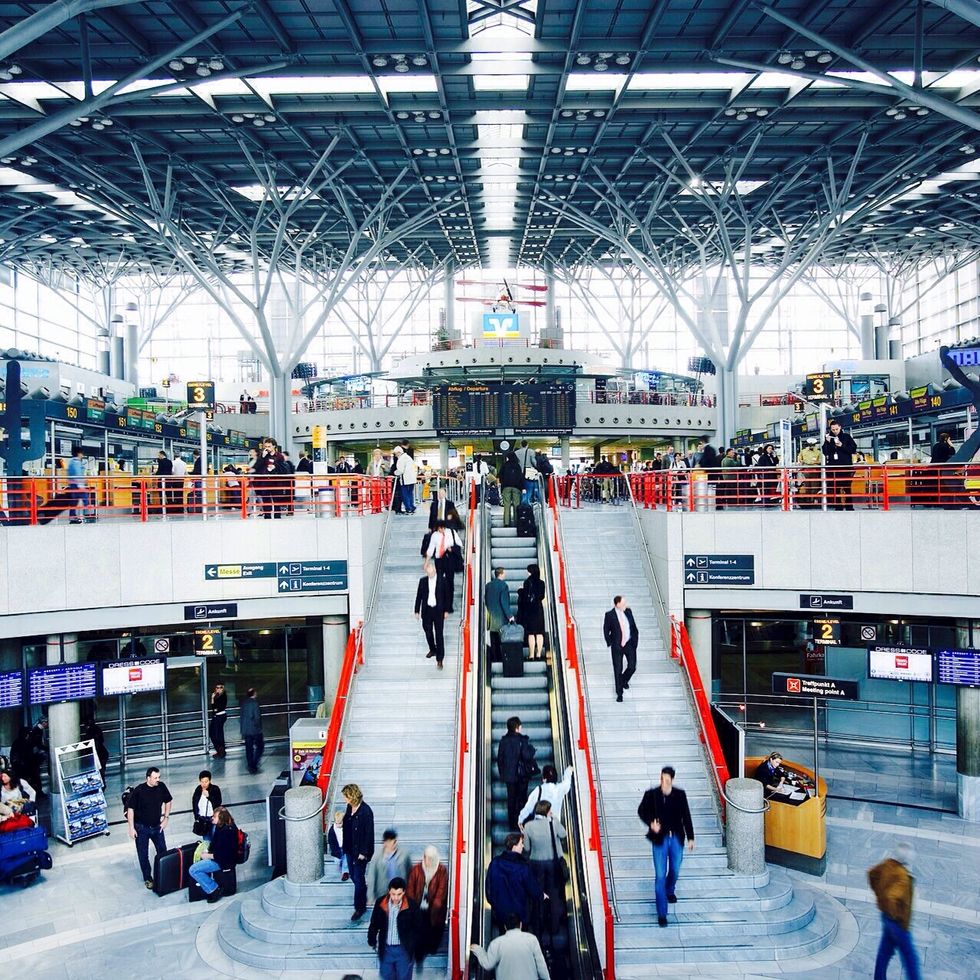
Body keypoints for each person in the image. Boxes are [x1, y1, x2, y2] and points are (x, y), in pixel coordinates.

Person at [637, 766, 695, 927]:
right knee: (660, 875)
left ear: (672, 780)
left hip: (675, 838)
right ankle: (662, 913)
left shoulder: (680, 795)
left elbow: (686, 816)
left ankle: (670, 890)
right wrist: (651, 823)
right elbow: (641, 811)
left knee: (675, 869)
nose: (664, 783)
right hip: (659, 840)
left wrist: (691, 837)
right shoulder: (652, 794)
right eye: (662, 779)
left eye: (667, 780)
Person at [869, 842, 921, 980]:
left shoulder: (887, 864)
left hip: (886, 918)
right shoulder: (902, 876)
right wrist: (894, 914)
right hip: (898, 923)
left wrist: (879, 895)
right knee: (910, 958)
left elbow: (871, 874)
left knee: (884, 953)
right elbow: (891, 897)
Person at [521, 800, 567, 950]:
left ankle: (538, 927)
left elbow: (527, 848)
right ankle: (554, 926)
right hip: (553, 864)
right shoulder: (553, 823)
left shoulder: (528, 826)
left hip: (536, 865)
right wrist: (554, 820)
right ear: (547, 812)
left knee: (538, 895)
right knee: (554, 895)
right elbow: (564, 834)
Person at [485, 833, 546, 930]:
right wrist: (541, 895)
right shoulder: (523, 867)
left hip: (501, 914)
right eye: (521, 843)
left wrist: (496, 905)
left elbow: (489, 889)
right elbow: (532, 888)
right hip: (520, 916)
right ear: (514, 847)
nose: (523, 846)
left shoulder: (495, 862)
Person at [126, 766, 173, 889]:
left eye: (159, 777)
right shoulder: (139, 790)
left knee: (163, 851)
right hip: (142, 828)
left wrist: (166, 818)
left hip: (157, 827)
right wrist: (131, 827)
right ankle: (148, 878)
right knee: (143, 854)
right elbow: (130, 809)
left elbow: (168, 801)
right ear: (148, 778)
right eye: (155, 778)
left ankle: (164, 874)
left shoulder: (161, 787)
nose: (158, 780)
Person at [367, 877, 420, 980]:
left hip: (404, 950)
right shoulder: (380, 903)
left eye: (399, 894)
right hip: (386, 949)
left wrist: (413, 945)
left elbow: (418, 927)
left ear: (404, 892)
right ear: (389, 891)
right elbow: (374, 924)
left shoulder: (412, 906)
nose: (395, 897)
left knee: (404, 977)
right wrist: (372, 940)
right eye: (393, 894)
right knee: (386, 976)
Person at [470, 914, 550, 980]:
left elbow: (488, 964)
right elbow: (541, 965)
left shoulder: (496, 943)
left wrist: (478, 950)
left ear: (505, 927)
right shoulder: (532, 939)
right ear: (520, 925)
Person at [406, 845, 448, 969]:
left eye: (430, 858)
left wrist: (434, 909)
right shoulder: (416, 870)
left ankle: (430, 947)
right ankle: (419, 956)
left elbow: (441, 893)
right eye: (426, 857)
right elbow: (410, 890)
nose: (428, 860)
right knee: (419, 932)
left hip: (435, 910)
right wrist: (413, 909)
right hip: (419, 908)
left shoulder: (441, 871)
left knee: (433, 932)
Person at [188, 806, 237, 903]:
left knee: (193, 870)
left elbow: (223, 855)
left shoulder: (227, 832)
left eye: (214, 817)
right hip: (218, 858)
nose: (212, 818)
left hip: (222, 862)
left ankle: (213, 889)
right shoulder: (222, 827)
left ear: (221, 818)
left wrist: (208, 856)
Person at [342, 783, 376, 922]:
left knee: (358, 877)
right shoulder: (349, 807)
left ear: (351, 796)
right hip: (349, 848)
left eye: (345, 796)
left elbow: (369, 834)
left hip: (360, 852)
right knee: (354, 877)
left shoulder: (366, 812)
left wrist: (364, 852)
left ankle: (359, 908)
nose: (344, 799)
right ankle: (363, 891)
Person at [497, 716, 537, 832]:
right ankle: (522, 822)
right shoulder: (522, 740)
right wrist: (532, 749)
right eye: (520, 726)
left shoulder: (503, 741)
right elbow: (526, 756)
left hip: (509, 777)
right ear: (516, 728)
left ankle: (512, 824)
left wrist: (503, 774)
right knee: (522, 798)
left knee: (511, 799)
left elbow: (500, 759)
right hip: (522, 776)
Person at [414, 558, 450, 669]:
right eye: (428, 573)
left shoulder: (442, 580)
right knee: (427, 631)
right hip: (427, 610)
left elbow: (447, 596)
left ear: (435, 570)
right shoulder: (423, 581)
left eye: (431, 573)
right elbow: (419, 596)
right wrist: (416, 610)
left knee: (439, 634)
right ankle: (433, 649)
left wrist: (446, 610)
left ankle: (440, 659)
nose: (430, 575)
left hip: (438, 611)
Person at [603, 595, 639, 703]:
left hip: (629, 644)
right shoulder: (609, 615)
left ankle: (623, 680)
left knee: (632, 667)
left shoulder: (628, 611)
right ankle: (619, 693)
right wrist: (610, 642)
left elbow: (633, 627)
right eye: (623, 604)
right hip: (617, 646)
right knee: (618, 669)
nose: (625, 605)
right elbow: (606, 630)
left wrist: (635, 641)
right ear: (617, 604)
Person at [368, 828, 413, 905]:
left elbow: (410, 873)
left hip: (400, 892)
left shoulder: (404, 854)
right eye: (391, 842)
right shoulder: (377, 857)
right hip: (383, 893)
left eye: (395, 842)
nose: (394, 845)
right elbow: (371, 877)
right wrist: (370, 897)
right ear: (385, 843)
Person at [822, 420, 857, 510]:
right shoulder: (828, 438)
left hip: (845, 467)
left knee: (847, 487)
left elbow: (853, 449)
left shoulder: (847, 437)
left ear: (840, 427)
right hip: (833, 467)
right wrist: (828, 442)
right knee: (835, 488)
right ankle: (838, 506)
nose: (835, 431)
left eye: (836, 429)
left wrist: (842, 445)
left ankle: (849, 506)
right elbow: (825, 452)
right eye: (833, 429)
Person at [485, 567, 515, 662]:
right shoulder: (503, 586)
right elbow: (504, 602)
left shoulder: (488, 585)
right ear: (501, 574)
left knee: (493, 639)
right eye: (504, 573)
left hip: (491, 617)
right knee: (503, 638)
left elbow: (486, 600)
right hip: (501, 617)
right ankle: (503, 658)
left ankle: (495, 658)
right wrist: (510, 616)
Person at [520, 565, 546, 661]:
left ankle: (531, 655)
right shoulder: (542, 583)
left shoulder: (527, 582)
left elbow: (525, 596)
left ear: (530, 572)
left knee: (531, 633)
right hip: (538, 609)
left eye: (528, 571)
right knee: (539, 632)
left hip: (529, 610)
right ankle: (538, 654)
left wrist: (520, 591)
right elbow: (542, 596)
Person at [239, 688, 264, 773]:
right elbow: (257, 717)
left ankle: (250, 765)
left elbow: (242, 717)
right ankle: (254, 764)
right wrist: (259, 728)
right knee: (260, 747)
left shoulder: (244, 703)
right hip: (255, 730)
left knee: (249, 748)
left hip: (246, 730)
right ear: (254, 694)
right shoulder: (255, 703)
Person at [191, 770, 222, 837]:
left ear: (210, 781)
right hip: (202, 818)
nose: (204, 784)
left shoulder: (215, 789)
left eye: (206, 781)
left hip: (213, 818)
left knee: (214, 836)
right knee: (206, 838)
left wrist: (209, 796)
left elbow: (218, 802)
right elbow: (194, 803)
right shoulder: (198, 789)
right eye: (202, 782)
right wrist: (196, 816)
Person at [498, 449, 525, 527]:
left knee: (507, 505)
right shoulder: (517, 466)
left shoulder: (504, 465)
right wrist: (522, 487)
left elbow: (500, 476)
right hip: (516, 488)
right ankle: (517, 522)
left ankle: (506, 523)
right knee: (516, 505)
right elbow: (521, 477)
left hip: (506, 487)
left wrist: (502, 485)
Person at [67, 445, 93, 524]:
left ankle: (72, 517)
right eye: (82, 453)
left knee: (74, 501)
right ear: (79, 453)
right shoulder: (77, 462)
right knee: (84, 495)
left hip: (72, 484)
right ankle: (88, 508)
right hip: (77, 484)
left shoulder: (71, 461)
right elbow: (78, 474)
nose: (82, 455)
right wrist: (81, 485)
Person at [930, 430, 956, 507]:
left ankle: (934, 502)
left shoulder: (935, 446)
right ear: (946, 439)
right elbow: (953, 453)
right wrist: (951, 445)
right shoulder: (945, 446)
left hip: (933, 468)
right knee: (943, 486)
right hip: (942, 469)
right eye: (949, 439)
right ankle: (943, 502)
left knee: (935, 486)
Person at [394, 445, 418, 514]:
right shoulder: (408, 457)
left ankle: (408, 508)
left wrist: (395, 473)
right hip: (412, 479)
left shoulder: (401, 459)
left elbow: (400, 470)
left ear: (399, 452)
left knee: (405, 494)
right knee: (410, 494)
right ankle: (412, 507)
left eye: (396, 454)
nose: (395, 455)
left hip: (405, 480)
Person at [328, 809, 349, 880]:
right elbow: (331, 841)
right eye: (336, 823)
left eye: (340, 823)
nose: (338, 825)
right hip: (337, 848)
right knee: (337, 861)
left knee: (346, 860)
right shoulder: (332, 830)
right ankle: (342, 867)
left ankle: (345, 872)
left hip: (345, 847)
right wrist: (334, 850)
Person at [209, 683, 228, 758]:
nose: (218, 689)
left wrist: (215, 709)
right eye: (217, 687)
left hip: (220, 717)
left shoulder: (223, 696)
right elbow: (213, 707)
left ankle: (220, 752)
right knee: (216, 734)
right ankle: (221, 751)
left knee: (216, 735)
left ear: (223, 689)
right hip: (217, 716)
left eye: (220, 687)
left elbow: (219, 708)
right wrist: (212, 698)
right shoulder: (216, 696)